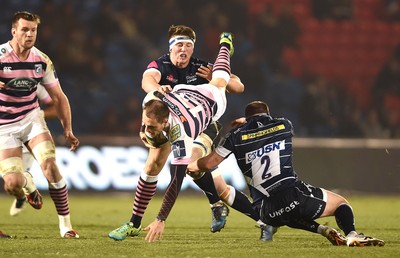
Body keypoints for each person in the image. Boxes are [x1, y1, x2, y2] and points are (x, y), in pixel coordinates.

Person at [109, 25, 272, 241]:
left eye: (188, 45)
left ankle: (223, 206)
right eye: (179, 44)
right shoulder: (160, 65)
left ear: (193, 48)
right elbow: (147, 81)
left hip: (205, 121)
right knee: (153, 165)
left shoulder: (201, 66)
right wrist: (154, 98)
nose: (183, 49)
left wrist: (215, 73)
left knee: (196, 168)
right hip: (167, 116)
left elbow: (238, 86)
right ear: (171, 48)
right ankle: (134, 223)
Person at [187, 100, 385, 247]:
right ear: (267, 114)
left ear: (247, 118)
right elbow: (265, 125)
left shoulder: (235, 137)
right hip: (291, 193)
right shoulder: (284, 124)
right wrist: (250, 122)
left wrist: (194, 160)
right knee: (341, 203)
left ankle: (323, 230)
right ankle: (352, 234)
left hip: (266, 212)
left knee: (285, 213)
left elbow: (209, 163)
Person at [0, 11, 79, 238]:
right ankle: (28, 183)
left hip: (31, 118)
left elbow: (59, 97)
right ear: (13, 31)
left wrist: (68, 129)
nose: (29, 34)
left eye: (33, 30)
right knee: (12, 183)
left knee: (50, 165)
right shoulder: (1, 56)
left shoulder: (41, 60)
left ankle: (66, 226)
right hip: (4, 126)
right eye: (24, 29)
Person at [9, 84, 57, 216]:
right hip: (3, 134)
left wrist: (41, 114)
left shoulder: (35, 87)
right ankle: (22, 195)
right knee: (11, 182)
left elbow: (55, 108)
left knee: (14, 182)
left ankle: (22, 192)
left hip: (25, 137)